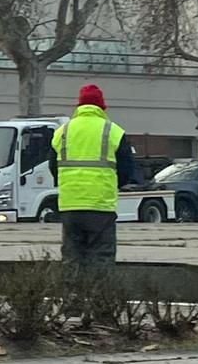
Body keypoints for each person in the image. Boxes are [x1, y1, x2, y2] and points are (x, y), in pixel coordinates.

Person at [49, 84, 139, 269]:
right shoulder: (113, 131)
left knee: (72, 259)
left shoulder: (63, 132)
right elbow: (127, 168)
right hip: (101, 205)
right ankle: (99, 296)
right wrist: (115, 184)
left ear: (79, 106)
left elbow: (53, 166)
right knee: (101, 257)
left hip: (70, 205)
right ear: (102, 108)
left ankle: (73, 295)